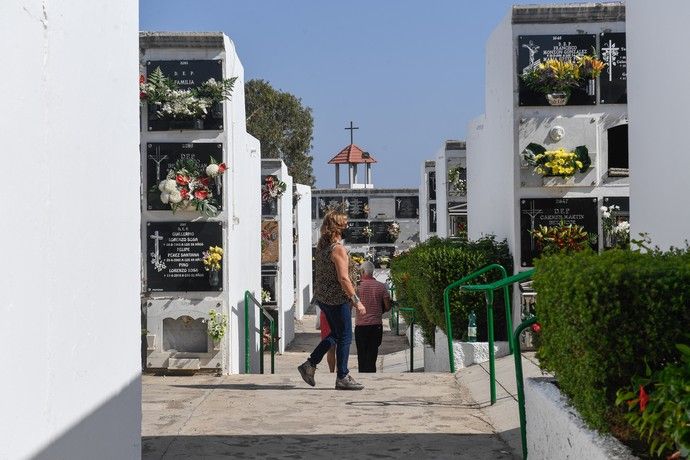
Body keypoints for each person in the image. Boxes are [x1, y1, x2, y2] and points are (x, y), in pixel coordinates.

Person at [298, 210, 366, 390]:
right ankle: (342, 376)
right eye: (345, 224)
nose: (348, 227)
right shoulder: (337, 249)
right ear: (338, 228)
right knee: (345, 336)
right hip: (337, 299)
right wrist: (356, 300)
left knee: (336, 334)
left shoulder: (322, 247)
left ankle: (310, 364)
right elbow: (343, 278)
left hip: (323, 298)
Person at [355, 261, 391, 372]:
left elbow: (351, 304)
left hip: (361, 325)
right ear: (373, 272)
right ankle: (371, 374)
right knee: (372, 353)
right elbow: (388, 306)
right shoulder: (381, 286)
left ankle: (362, 375)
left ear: (362, 271)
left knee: (361, 354)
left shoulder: (357, 287)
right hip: (376, 325)